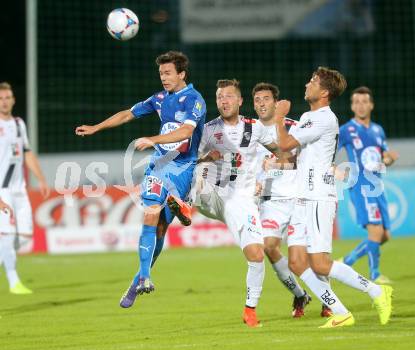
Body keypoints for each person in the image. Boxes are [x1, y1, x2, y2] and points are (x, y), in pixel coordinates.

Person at [75, 51, 206, 307]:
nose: (164, 78)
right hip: (158, 166)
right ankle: (145, 277)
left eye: (168, 73)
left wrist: (153, 140)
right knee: (150, 212)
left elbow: (186, 131)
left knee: (159, 228)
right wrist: (97, 127)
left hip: (183, 168)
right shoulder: (158, 99)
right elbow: (127, 114)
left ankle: (137, 280)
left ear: (181, 74)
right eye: (161, 73)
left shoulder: (194, 100)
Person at [274, 67, 393, 328]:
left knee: (320, 262)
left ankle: (376, 291)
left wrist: (279, 117)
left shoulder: (324, 118)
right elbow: (292, 151)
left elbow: (284, 143)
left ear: (324, 92)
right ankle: (342, 312)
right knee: (295, 261)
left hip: (318, 196)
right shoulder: (309, 115)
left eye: (313, 81)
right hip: (302, 197)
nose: (308, 83)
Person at [191, 79, 280, 327]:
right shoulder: (208, 130)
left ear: (240, 101)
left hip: (241, 199)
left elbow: (280, 153)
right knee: (199, 171)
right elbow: (189, 160)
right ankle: (185, 204)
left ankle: (250, 310)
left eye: (229, 96)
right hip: (214, 195)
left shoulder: (255, 128)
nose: (224, 101)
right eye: (220, 97)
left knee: (256, 254)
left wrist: (268, 172)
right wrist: (208, 157)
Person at [252, 82, 317, 318]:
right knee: (268, 247)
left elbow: (307, 161)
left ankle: (327, 299)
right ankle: (300, 295)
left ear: (276, 102)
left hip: (299, 198)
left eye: (266, 99)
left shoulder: (294, 127)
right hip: (271, 201)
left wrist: (280, 162)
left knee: (312, 254)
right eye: (257, 100)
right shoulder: (251, 131)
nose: (261, 104)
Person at [338, 86, 398, 284]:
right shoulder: (346, 130)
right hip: (361, 186)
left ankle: (347, 262)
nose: (360, 105)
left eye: (364, 102)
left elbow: (384, 158)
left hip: (377, 186)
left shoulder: (378, 130)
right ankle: (375, 274)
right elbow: (328, 151)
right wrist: (335, 169)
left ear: (371, 105)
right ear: (352, 106)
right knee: (375, 232)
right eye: (356, 102)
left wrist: (389, 159)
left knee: (385, 235)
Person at [0, 82, 50, 294]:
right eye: (1, 98)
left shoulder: (19, 124)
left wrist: (40, 178)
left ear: (13, 99)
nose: (4, 101)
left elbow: (27, 153)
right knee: (8, 235)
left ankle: (8, 263)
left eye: (7, 97)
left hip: (20, 189)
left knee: (25, 237)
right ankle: (14, 281)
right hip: (2, 189)